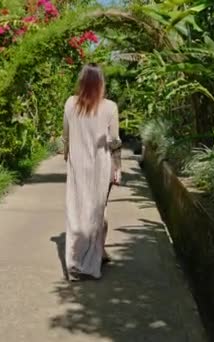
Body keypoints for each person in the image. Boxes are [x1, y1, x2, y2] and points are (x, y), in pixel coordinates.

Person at [62, 63, 121, 281]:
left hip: (77, 165)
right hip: (100, 166)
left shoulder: (70, 103)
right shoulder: (110, 107)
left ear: (82, 81)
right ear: (101, 83)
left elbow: (66, 136)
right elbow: (114, 141)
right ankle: (95, 257)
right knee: (98, 210)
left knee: (76, 211)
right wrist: (118, 166)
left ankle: (76, 262)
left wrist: (67, 154)